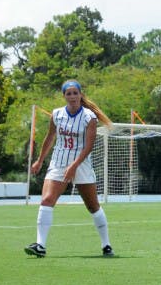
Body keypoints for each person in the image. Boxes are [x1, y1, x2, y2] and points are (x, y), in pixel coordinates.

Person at [24, 80, 115, 258]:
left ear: (81, 95)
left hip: (81, 165)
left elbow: (89, 146)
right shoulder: (57, 114)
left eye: (75, 93)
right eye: (69, 93)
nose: (72, 97)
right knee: (47, 200)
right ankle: (40, 245)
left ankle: (106, 245)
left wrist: (73, 166)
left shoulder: (90, 117)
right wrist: (40, 160)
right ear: (64, 96)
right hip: (58, 163)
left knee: (93, 206)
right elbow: (50, 138)